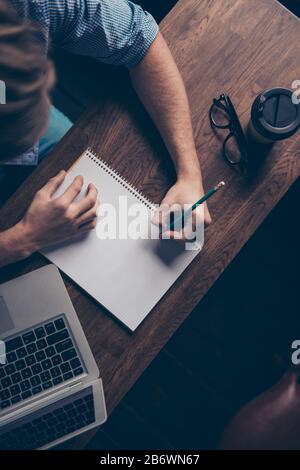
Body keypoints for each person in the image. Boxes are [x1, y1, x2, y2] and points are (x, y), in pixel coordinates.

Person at [0, 0, 211, 269]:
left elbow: (140, 38)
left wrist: (189, 175)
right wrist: (22, 239)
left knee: (68, 145)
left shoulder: (33, 5)